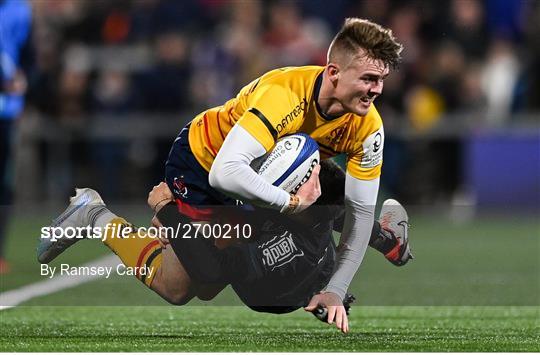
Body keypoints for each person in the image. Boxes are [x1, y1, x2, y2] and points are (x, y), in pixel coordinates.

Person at [39, 18, 411, 332]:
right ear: (333, 72)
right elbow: (225, 173)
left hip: (262, 177)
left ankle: (387, 239)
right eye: (368, 78)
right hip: (204, 165)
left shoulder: (367, 127)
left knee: (328, 194)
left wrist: (335, 288)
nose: (376, 90)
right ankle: (93, 214)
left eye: (381, 79)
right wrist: (291, 204)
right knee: (184, 288)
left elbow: (360, 212)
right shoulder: (284, 95)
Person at [37, 160, 411, 334]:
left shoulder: (286, 240)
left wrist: (169, 215)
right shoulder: (292, 218)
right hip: (277, 262)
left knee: (195, 284)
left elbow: (212, 269)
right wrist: (174, 217)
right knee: (183, 285)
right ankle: (94, 216)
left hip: (279, 270)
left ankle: (95, 216)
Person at [0, 0, 31, 274]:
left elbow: (27, 59)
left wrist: (23, 85)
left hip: (5, 112)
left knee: (4, 185)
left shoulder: (19, 10)